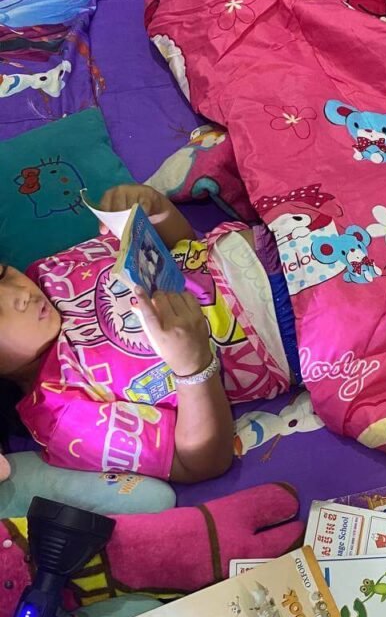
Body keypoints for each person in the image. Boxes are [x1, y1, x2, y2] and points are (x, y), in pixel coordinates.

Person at [1, 185, 299, 482]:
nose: (19, 294)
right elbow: (200, 462)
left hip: (275, 238)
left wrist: (154, 209)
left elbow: (178, 246)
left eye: (2, 274)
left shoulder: (51, 271)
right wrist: (194, 369)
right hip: (296, 334)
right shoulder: (60, 415)